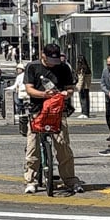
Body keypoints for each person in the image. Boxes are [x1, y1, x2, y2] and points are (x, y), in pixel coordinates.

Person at [22, 42, 77, 193]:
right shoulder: (32, 67)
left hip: (57, 111)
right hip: (37, 110)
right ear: (43, 56)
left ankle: (70, 180)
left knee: (63, 146)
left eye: (56, 61)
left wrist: (67, 93)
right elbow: (29, 89)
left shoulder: (63, 67)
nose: (53, 65)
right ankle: (30, 181)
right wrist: (44, 95)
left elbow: (70, 88)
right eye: (49, 61)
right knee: (32, 147)